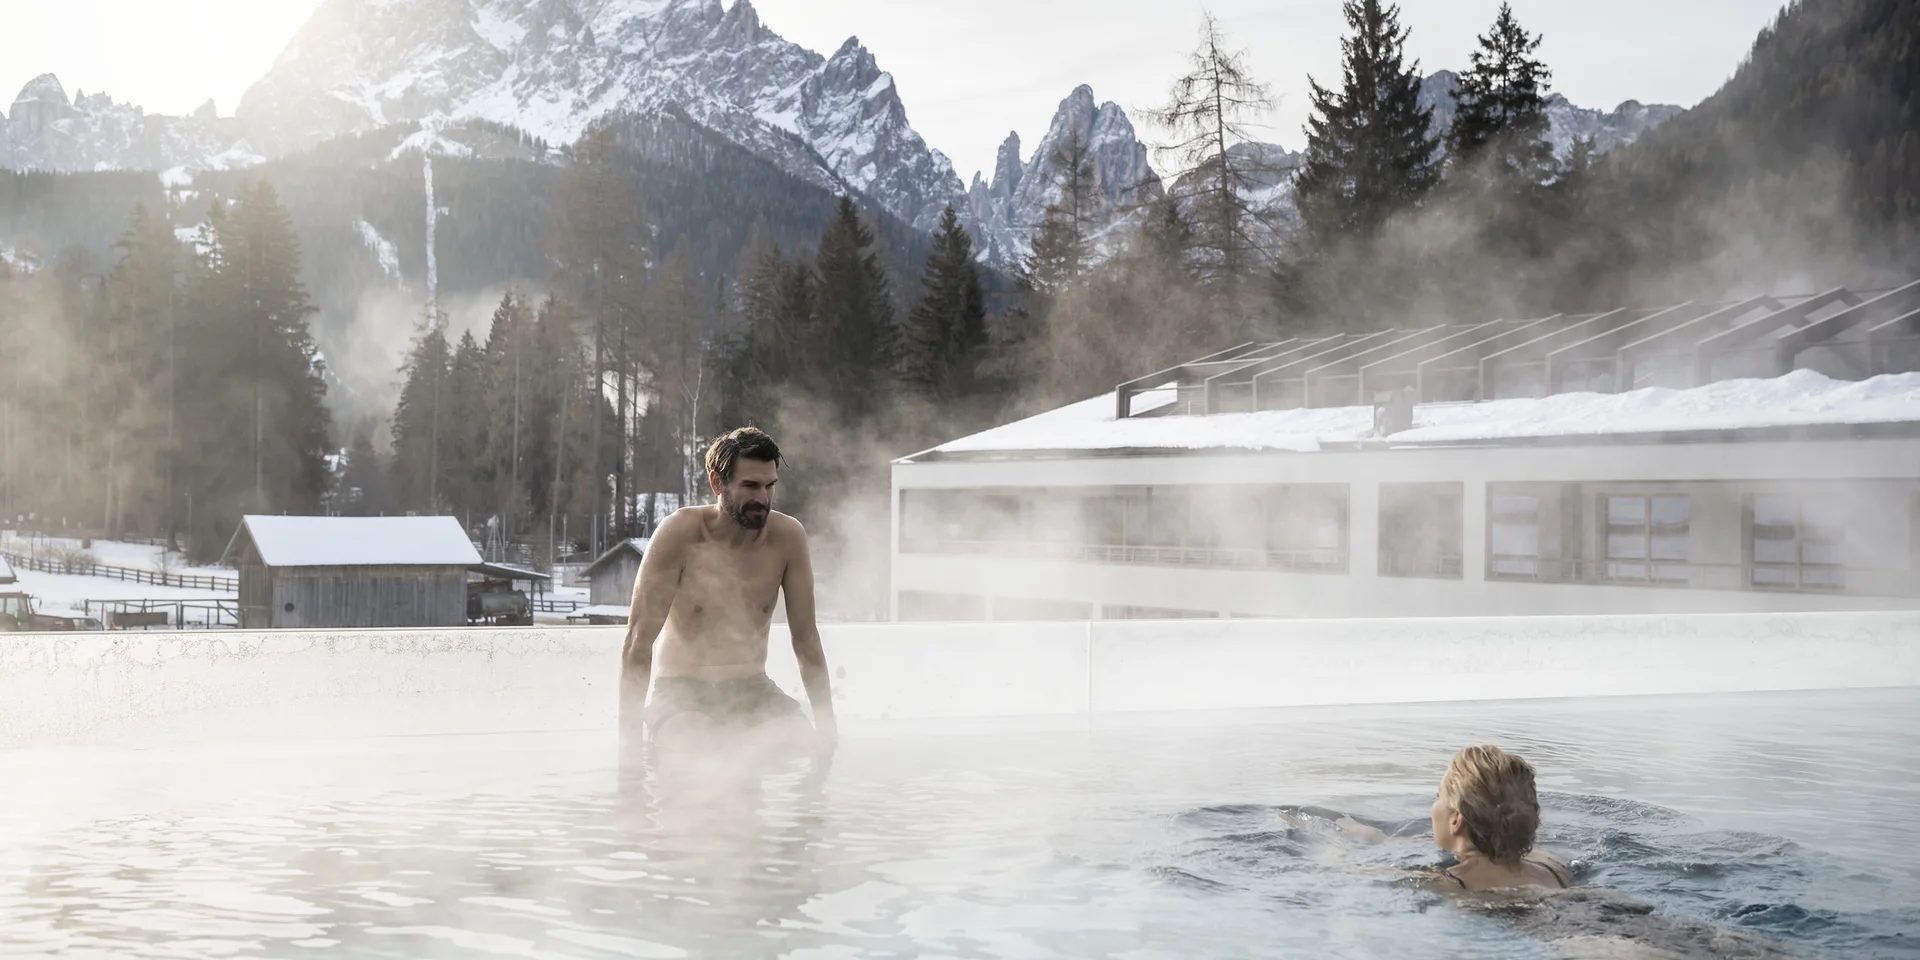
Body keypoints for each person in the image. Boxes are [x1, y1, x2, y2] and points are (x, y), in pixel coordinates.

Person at [619, 427, 836, 761]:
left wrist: (827, 729)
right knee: (702, 758)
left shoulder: (788, 538)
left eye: (770, 486)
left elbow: (806, 639)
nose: (763, 499)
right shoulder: (680, 534)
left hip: (754, 690)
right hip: (682, 693)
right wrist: (628, 749)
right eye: (750, 486)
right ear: (717, 483)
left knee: (804, 749)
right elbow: (637, 641)